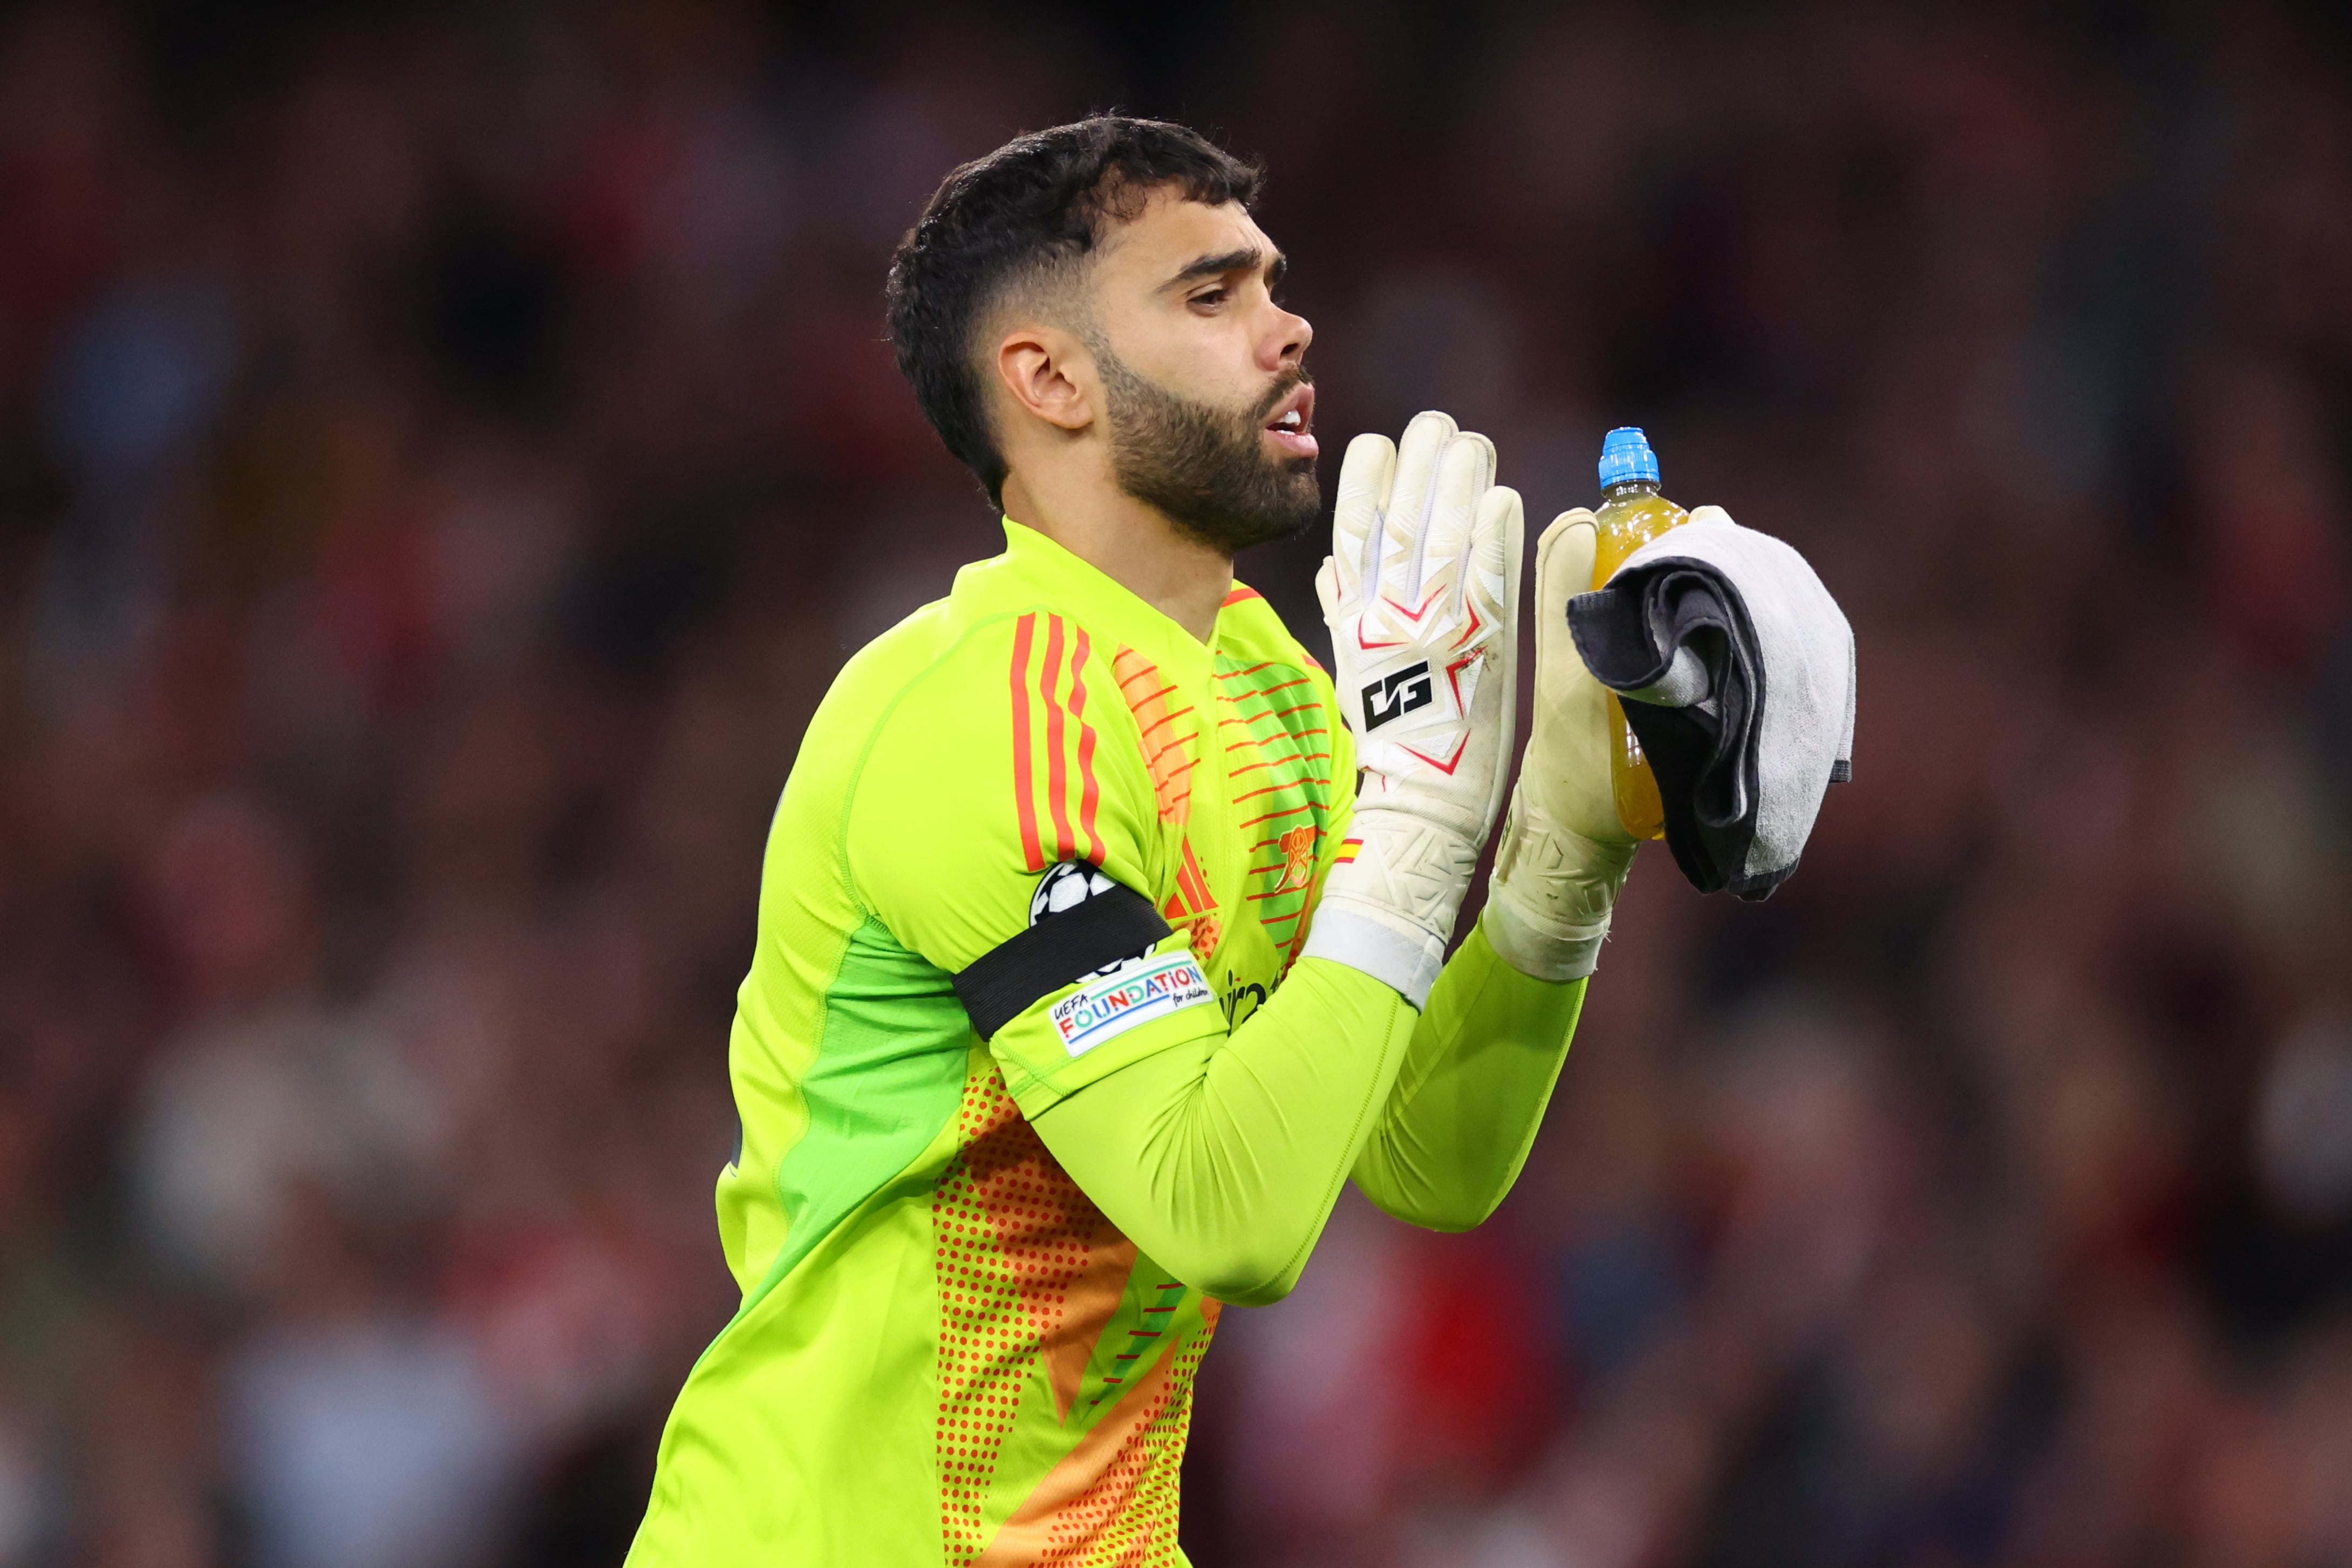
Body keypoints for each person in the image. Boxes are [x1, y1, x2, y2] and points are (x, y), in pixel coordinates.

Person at [626, 115, 1645, 1565]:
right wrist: (1419, 823)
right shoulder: (990, 715)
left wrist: (1555, 867)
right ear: (1048, 380)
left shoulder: (1271, 683)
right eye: (1210, 294)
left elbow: (1424, 1152)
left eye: (1272, 282)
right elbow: (1225, 1215)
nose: (1290, 327)